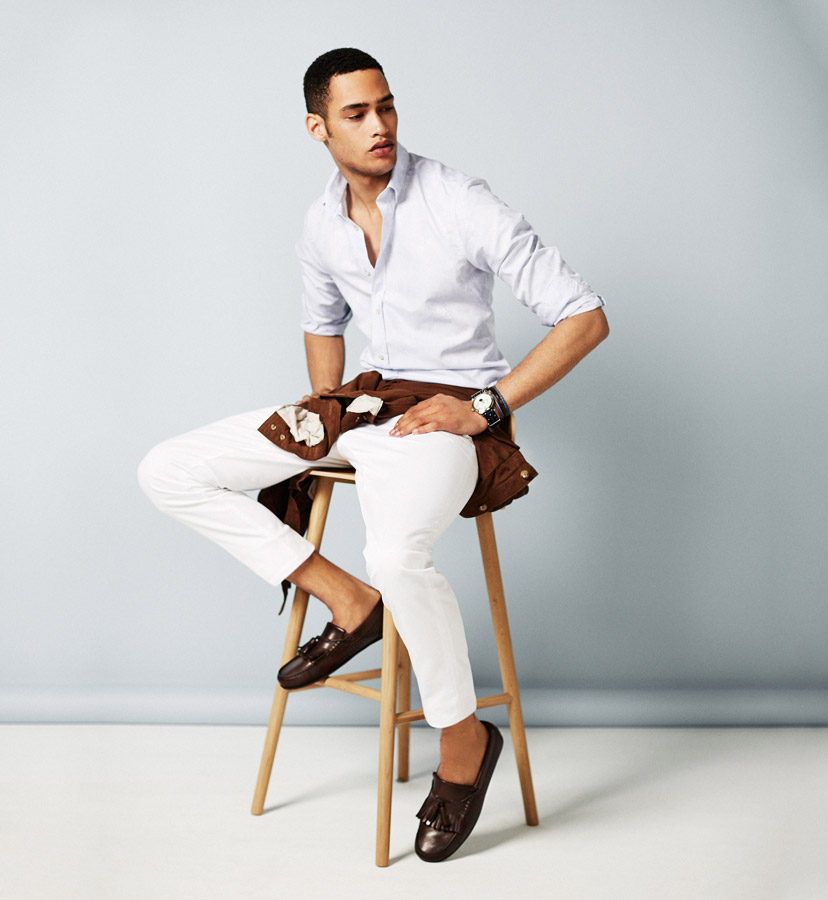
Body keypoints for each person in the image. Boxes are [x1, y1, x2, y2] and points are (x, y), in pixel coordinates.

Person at [138, 47, 609, 862]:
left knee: (396, 553)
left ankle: (463, 741)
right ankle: (349, 602)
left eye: (386, 106)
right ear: (317, 127)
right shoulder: (320, 223)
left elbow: (584, 316)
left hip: (445, 418)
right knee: (167, 469)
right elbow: (322, 322)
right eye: (356, 113)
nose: (380, 125)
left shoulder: (458, 200)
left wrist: (485, 408)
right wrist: (321, 416)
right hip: (361, 407)